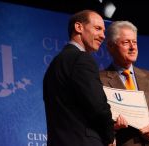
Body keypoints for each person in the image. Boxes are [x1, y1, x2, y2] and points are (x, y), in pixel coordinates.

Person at [100, 21, 149, 146]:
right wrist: (113, 128)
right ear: (111, 46)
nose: (133, 47)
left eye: (135, 42)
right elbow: (91, 122)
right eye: (126, 42)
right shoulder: (99, 80)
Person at [43, 10, 115, 146]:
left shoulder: (55, 64)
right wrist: (110, 136)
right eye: (98, 28)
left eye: (104, 31)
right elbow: (98, 106)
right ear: (79, 27)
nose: (103, 36)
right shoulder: (82, 58)